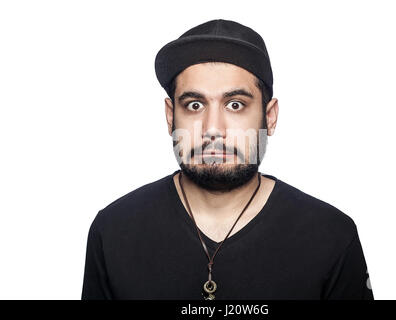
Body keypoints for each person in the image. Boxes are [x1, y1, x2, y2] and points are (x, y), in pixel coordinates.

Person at [81, 19, 374, 300]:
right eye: (194, 105)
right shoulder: (114, 230)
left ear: (269, 117)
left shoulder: (331, 236)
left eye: (235, 105)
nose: (212, 129)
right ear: (171, 116)